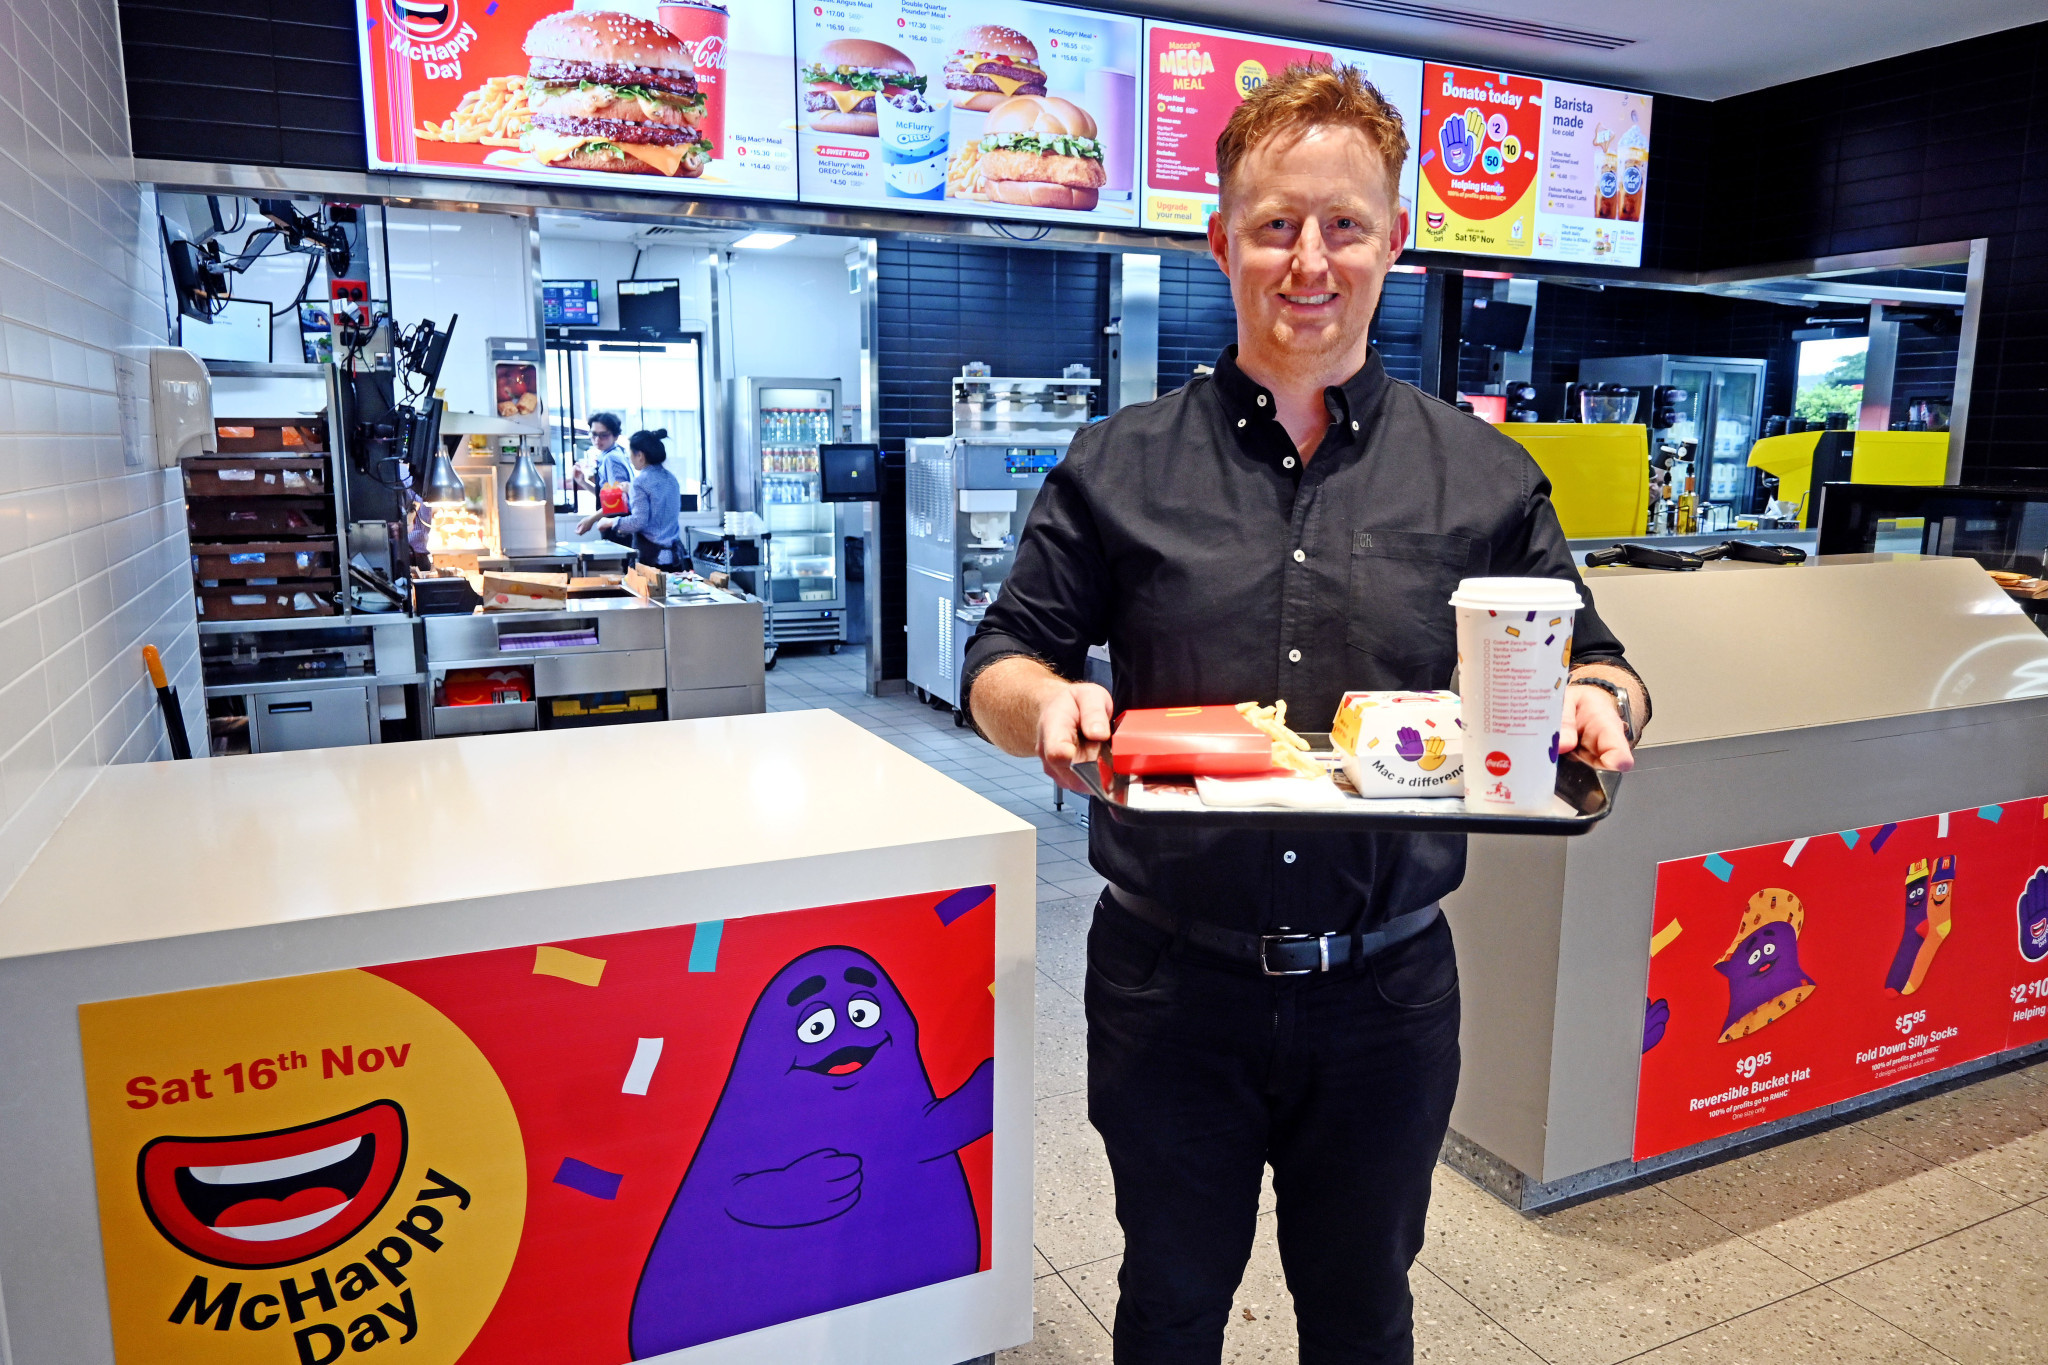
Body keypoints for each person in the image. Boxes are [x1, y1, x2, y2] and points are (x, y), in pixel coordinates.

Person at [963, 65, 1648, 1365]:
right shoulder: (1119, 464)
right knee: (1168, 1302)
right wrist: (1046, 702)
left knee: (1361, 1311)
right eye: (1275, 225)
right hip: (1170, 985)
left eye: (1344, 225)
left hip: (1385, 987)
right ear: (1222, 239)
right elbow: (1003, 656)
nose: (1309, 260)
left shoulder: (1480, 474)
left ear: (1396, 240)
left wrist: (1596, 707)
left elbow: (1599, 660)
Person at [580, 428, 685, 567]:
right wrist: (632, 491)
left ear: (640, 455)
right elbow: (657, 508)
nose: (629, 458)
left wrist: (610, 522)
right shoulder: (671, 479)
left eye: (630, 453)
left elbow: (638, 522)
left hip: (652, 560)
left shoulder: (640, 482)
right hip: (674, 557)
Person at [572, 412, 635, 512]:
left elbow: (618, 500)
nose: (597, 439)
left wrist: (590, 520)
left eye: (604, 435)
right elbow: (607, 497)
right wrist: (583, 482)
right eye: (594, 434)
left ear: (616, 436)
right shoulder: (611, 454)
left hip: (616, 522)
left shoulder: (611, 458)